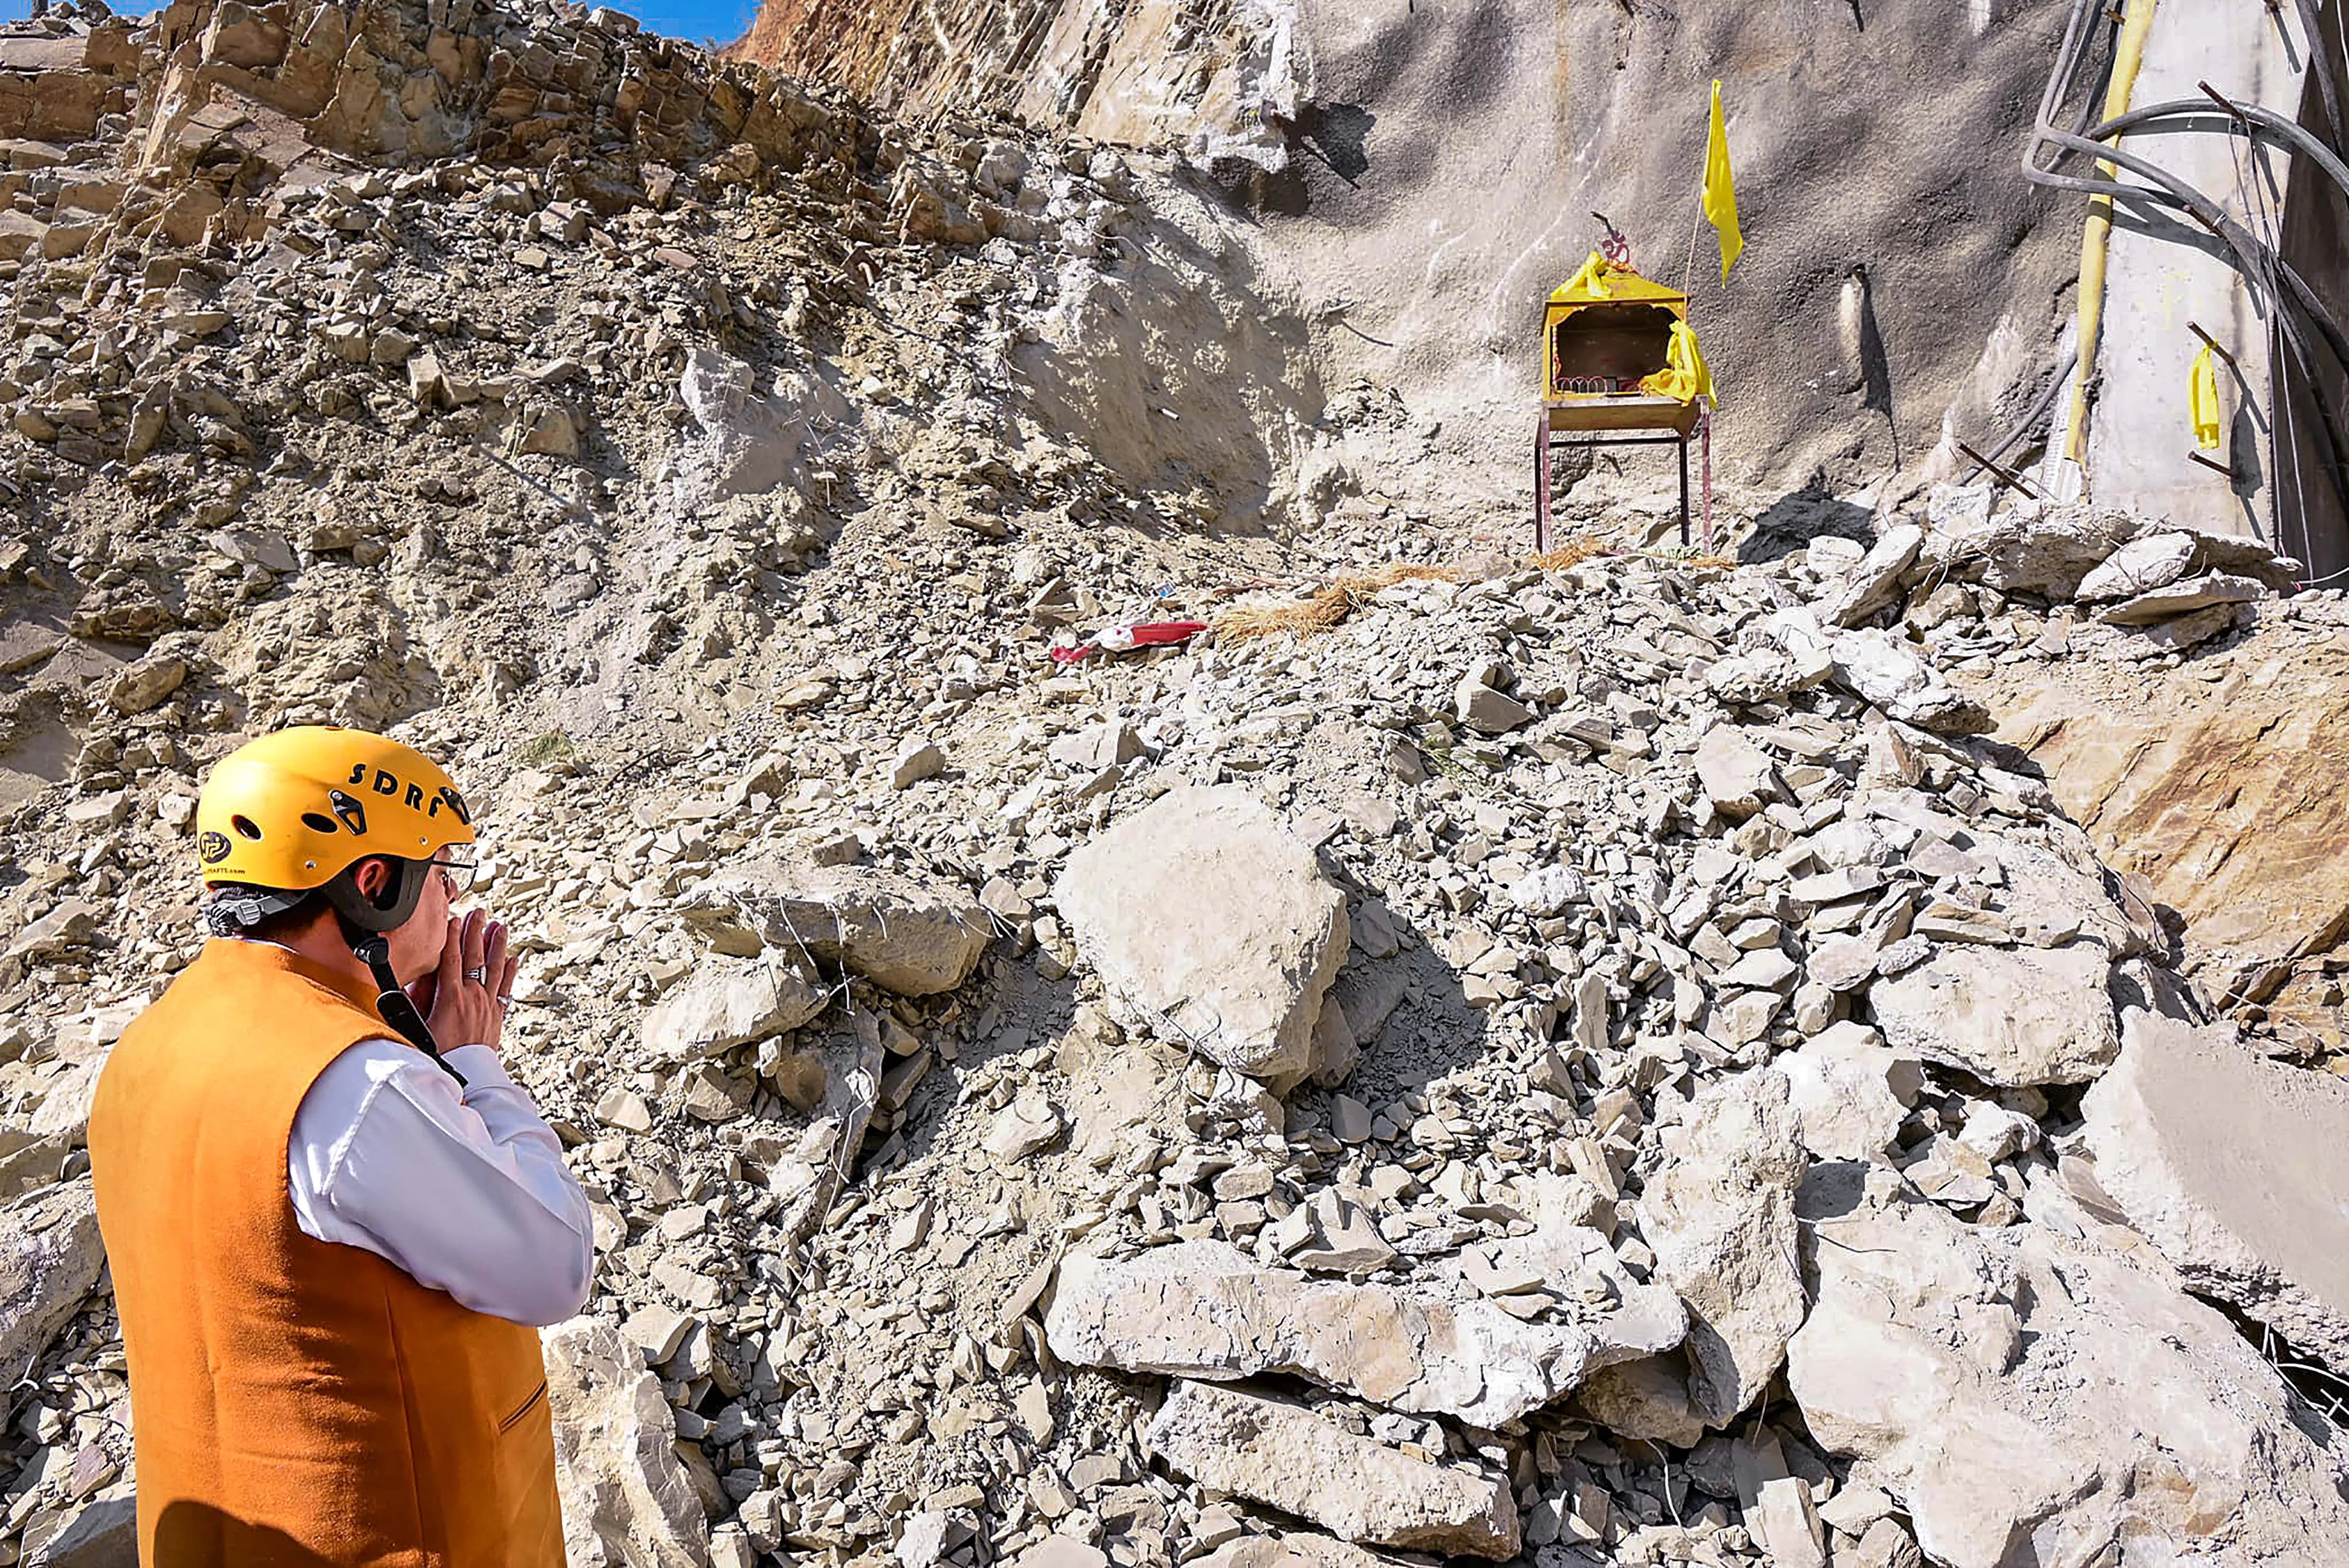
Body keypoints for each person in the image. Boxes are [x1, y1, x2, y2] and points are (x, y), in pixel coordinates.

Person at [88, 725, 594, 1568]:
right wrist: (473, 1065)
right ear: (374, 885)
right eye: (438, 874)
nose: (451, 900)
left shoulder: (149, 1045)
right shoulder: (359, 1086)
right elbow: (554, 1268)